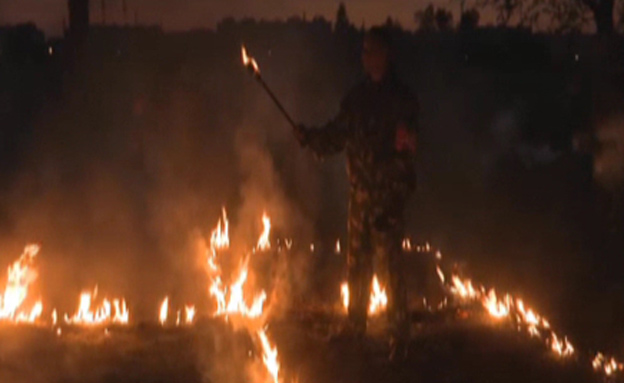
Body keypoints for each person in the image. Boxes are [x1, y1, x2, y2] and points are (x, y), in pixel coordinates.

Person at [294, 26, 418, 357]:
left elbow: (407, 156)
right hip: (360, 197)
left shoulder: (402, 100)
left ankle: (399, 338)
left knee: (391, 269)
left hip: (387, 198)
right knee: (357, 264)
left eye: (370, 51)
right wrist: (311, 138)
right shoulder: (356, 99)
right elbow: (337, 135)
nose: (364, 57)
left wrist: (395, 201)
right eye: (362, 51)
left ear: (385, 55)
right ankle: (356, 327)